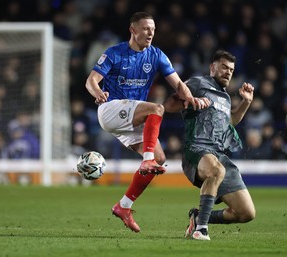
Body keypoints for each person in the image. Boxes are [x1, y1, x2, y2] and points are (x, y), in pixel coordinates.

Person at [85, 12, 206, 233]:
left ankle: (124, 206)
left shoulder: (156, 55)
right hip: (110, 108)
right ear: (133, 30)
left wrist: (190, 98)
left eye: (153, 29)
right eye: (145, 28)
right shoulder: (114, 53)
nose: (150, 33)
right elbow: (91, 80)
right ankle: (146, 161)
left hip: (132, 116)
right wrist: (97, 92)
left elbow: (178, 84)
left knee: (159, 158)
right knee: (157, 108)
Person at [164, 50, 256, 240]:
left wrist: (246, 103)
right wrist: (191, 101)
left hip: (218, 154)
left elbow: (229, 122)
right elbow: (170, 105)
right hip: (196, 149)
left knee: (246, 213)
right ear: (212, 67)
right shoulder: (198, 83)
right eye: (224, 67)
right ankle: (201, 230)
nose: (228, 72)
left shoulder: (226, 97)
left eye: (231, 69)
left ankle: (199, 217)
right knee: (216, 171)